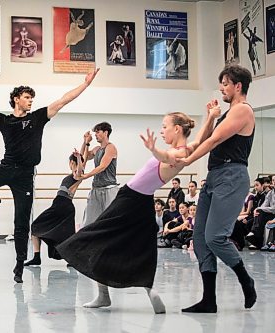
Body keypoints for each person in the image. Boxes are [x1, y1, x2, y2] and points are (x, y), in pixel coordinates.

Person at [0, 68, 100, 283]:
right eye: (26, 97)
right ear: (16, 100)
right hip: (5, 168)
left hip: (24, 176)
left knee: (21, 223)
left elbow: (63, 100)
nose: (30, 101)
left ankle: (19, 266)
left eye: (32, 98)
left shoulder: (39, 117)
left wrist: (85, 85)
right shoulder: (4, 121)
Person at [57, 109, 218, 314]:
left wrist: (153, 150)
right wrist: (211, 118)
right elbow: (202, 138)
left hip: (129, 199)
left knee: (96, 237)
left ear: (177, 129)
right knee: (141, 246)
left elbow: (167, 156)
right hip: (143, 201)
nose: (162, 131)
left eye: (165, 127)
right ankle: (147, 289)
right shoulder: (186, 149)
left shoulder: (177, 154)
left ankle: (105, 295)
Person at [176, 64, 256, 313]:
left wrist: (189, 160)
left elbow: (214, 140)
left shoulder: (242, 110)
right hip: (215, 176)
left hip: (232, 175)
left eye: (225, 84)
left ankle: (245, 278)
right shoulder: (227, 113)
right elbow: (203, 137)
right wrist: (210, 117)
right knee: (199, 239)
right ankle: (209, 299)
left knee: (215, 237)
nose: (221, 88)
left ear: (237, 86)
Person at [24, 151, 85, 266]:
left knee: (38, 227)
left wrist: (78, 158)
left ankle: (70, 259)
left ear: (72, 162)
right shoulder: (72, 175)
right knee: (40, 228)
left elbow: (80, 168)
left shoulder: (77, 175)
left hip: (63, 206)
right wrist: (84, 144)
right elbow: (82, 159)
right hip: (59, 206)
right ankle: (37, 257)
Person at [78, 123, 118, 228]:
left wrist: (86, 176)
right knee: (88, 220)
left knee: (110, 221)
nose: (95, 134)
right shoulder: (97, 149)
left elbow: (102, 166)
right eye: (95, 132)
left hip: (109, 189)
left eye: (98, 131)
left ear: (106, 132)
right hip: (96, 189)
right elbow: (83, 157)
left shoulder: (111, 148)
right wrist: (85, 143)